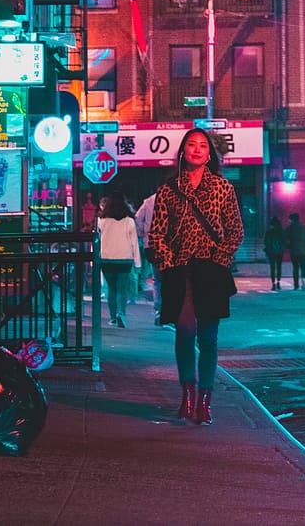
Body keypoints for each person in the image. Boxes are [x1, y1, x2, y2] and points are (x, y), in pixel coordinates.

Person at [146, 128, 244, 426]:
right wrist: (168, 262)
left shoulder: (222, 188)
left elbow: (236, 231)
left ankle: (205, 400)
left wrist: (219, 258)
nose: (197, 150)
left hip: (211, 270)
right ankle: (187, 396)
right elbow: (156, 234)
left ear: (210, 154)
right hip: (180, 271)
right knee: (185, 334)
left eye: (203, 146)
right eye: (192, 145)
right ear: (183, 151)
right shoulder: (168, 190)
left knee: (209, 338)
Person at [97, 191, 140, 329]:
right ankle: (122, 313)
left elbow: (98, 242)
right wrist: (137, 263)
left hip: (107, 258)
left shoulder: (102, 221)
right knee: (122, 289)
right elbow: (134, 243)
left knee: (111, 289)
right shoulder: (129, 221)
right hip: (124, 258)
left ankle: (113, 317)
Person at [134, 191, 162, 321]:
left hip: (152, 243)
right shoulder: (177, 199)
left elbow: (138, 218)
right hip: (171, 245)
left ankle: (159, 309)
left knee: (158, 279)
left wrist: (143, 233)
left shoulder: (149, 201)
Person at [285, 212, 305, 290]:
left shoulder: (289, 228)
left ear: (292, 219)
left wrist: (288, 246)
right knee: (304, 267)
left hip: (294, 251)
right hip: (303, 251)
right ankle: (304, 281)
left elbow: (285, 239)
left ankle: (296, 285)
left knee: (295, 268)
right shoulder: (304, 228)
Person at [263, 216, 286, 290]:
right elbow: (284, 241)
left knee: (272, 267)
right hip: (280, 251)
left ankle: (273, 284)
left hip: (271, 251)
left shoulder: (269, 232)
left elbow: (265, 242)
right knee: (279, 267)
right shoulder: (281, 231)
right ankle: (278, 283)